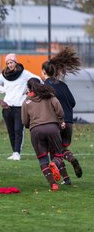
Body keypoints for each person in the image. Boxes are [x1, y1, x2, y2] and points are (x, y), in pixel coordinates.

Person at [42, 47, 83, 183]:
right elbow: (72, 102)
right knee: (63, 148)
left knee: (55, 152)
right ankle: (68, 173)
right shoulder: (63, 85)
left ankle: (65, 173)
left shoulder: (45, 87)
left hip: (55, 123)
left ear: (43, 72)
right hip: (69, 122)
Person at [22, 78, 68, 191]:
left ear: (29, 88)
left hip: (36, 130)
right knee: (58, 154)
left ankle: (53, 184)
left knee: (42, 159)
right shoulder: (50, 96)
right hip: (52, 128)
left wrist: (31, 126)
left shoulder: (26, 101)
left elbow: (24, 121)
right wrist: (60, 120)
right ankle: (54, 163)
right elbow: (60, 110)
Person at [0, 53, 41, 161]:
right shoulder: (4, 75)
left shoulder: (24, 73)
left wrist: (30, 90)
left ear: (16, 62)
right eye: (8, 63)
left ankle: (17, 153)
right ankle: (14, 152)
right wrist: (4, 90)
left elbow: (38, 79)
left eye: (11, 62)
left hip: (20, 107)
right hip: (7, 107)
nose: (9, 65)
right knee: (11, 131)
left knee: (18, 130)